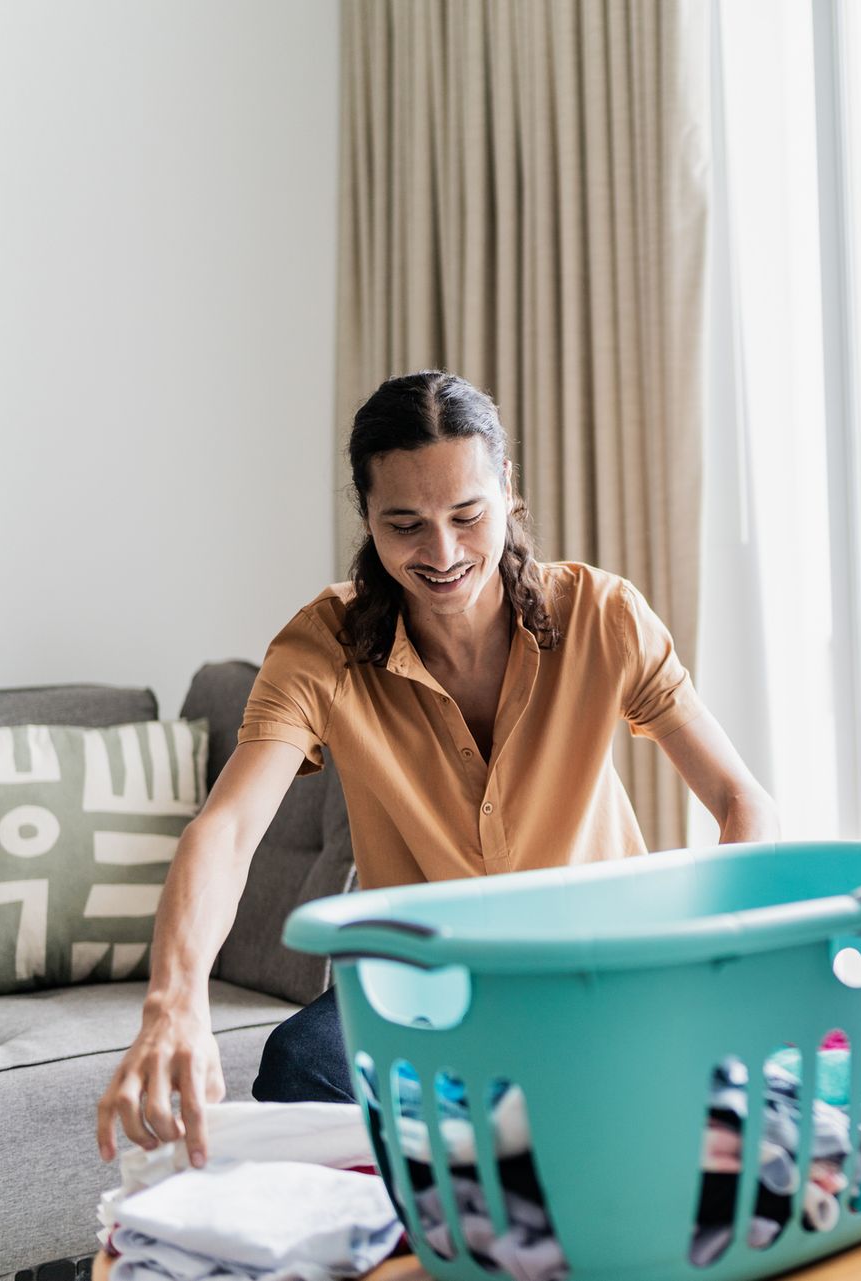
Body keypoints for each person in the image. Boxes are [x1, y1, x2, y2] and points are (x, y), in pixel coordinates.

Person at [95, 370, 778, 1167]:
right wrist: (175, 1000)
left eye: (467, 515)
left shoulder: (603, 616)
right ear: (367, 520)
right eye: (406, 524)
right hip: (422, 990)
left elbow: (742, 801)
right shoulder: (322, 647)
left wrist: (718, 966)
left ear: (507, 490)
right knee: (298, 1067)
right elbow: (228, 828)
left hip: (599, 967)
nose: (444, 552)